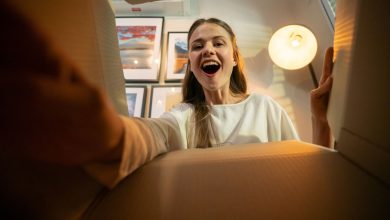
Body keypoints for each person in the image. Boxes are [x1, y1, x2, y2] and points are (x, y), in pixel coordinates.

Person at [0, 2, 333, 188]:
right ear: (190, 63)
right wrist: (115, 136)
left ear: (234, 56)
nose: (208, 50)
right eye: (197, 46)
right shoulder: (184, 115)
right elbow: (156, 132)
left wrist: (321, 119)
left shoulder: (266, 107)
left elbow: (309, 174)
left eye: (218, 43)